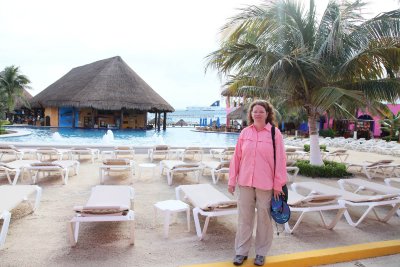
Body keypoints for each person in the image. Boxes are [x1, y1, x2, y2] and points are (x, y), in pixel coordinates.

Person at [228, 100, 287, 266]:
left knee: (264, 220)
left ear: (267, 114)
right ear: (251, 114)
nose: (258, 114)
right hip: (245, 182)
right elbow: (236, 158)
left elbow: (281, 160)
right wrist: (232, 180)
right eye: (255, 111)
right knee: (244, 219)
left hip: (266, 184)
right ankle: (241, 251)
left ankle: (261, 253)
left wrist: (278, 184)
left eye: (261, 111)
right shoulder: (245, 133)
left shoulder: (275, 134)